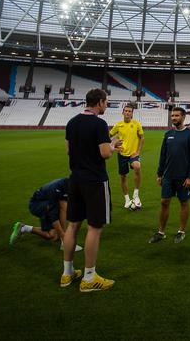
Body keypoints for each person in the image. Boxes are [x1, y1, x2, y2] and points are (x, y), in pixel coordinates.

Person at [61, 88, 122, 292]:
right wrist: (113, 146)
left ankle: (67, 273)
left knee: (73, 225)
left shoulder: (72, 122)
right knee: (95, 227)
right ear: (99, 102)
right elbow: (105, 154)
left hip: (75, 179)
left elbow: (69, 150)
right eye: (106, 102)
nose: (106, 106)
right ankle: (89, 277)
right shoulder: (99, 123)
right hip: (95, 181)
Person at [148, 107, 190, 244]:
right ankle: (161, 232)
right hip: (168, 176)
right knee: (164, 202)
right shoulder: (168, 134)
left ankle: (181, 231)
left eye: (176, 115)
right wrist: (159, 173)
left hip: (183, 177)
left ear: (183, 117)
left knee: (183, 202)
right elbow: (163, 155)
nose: (174, 118)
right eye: (172, 116)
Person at [9, 177, 82, 252]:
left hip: (48, 203)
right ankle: (64, 241)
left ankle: (23, 228)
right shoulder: (56, 188)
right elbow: (54, 217)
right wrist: (64, 236)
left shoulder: (69, 186)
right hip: (37, 205)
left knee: (54, 236)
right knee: (62, 206)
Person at [109, 105, 145, 209]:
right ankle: (127, 199)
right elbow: (108, 136)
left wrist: (138, 152)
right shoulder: (118, 125)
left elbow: (142, 138)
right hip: (122, 154)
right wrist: (113, 146)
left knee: (137, 166)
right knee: (123, 176)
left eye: (130, 111)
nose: (128, 113)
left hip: (133, 154)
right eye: (126, 111)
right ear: (123, 112)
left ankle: (136, 195)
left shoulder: (136, 124)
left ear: (132, 113)